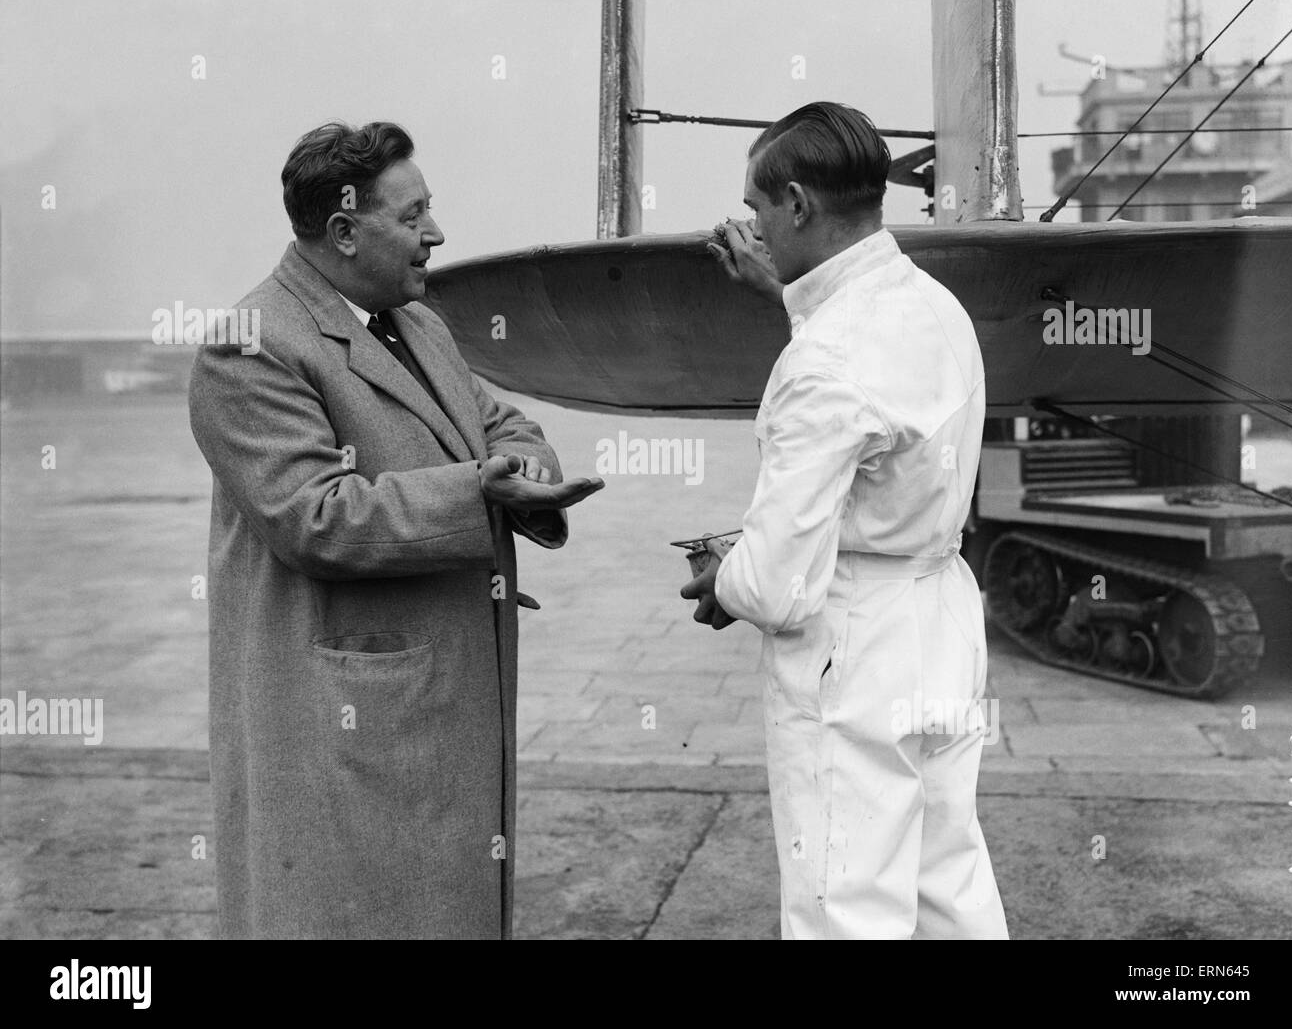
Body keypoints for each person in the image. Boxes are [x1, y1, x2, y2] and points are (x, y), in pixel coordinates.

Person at [188, 121, 603, 939]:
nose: (436, 235)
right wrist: (477, 492)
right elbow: (314, 517)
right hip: (347, 726)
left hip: (436, 714)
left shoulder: (418, 325)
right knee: (345, 911)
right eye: (413, 217)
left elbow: (507, 429)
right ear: (344, 230)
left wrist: (515, 476)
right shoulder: (252, 347)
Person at [683, 101, 1007, 939]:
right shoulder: (933, 305)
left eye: (756, 207)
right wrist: (788, 296)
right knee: (947, 884)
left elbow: (781, 590)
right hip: (940, 621)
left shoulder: (822, 360)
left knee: (843, 905)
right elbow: (866, 382)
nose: (752, 226)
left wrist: (725, 569)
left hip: (856, 656)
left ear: (796, 204)